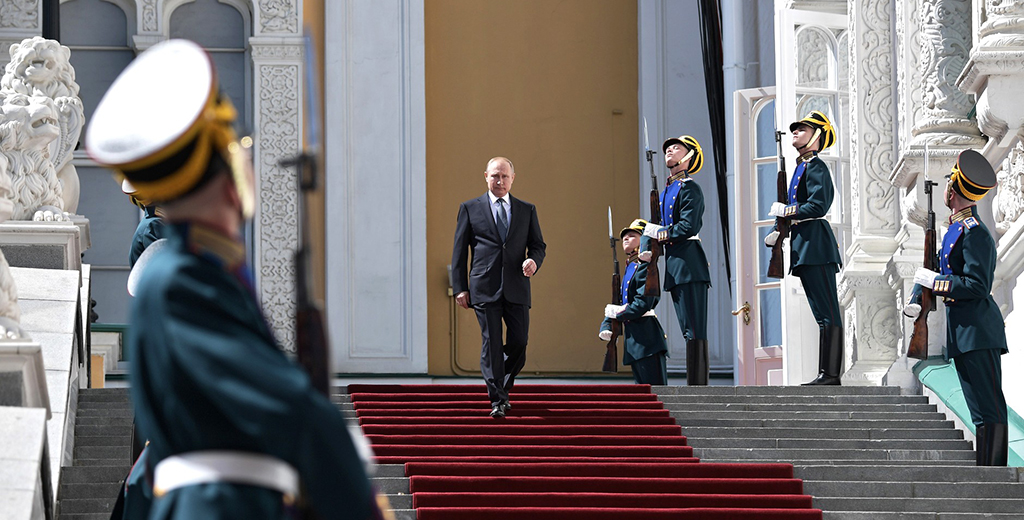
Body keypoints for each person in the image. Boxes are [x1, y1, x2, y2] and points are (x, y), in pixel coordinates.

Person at [86, 39, 383, 519]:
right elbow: (288, 409)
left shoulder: (200, 269)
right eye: (240, 148)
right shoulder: (181, 276)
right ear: (228, 174)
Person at [905, 149, 1008, 466]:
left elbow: (978, 286)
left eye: (949, 182)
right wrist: (918, 296)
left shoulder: (975, 233)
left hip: (978, 331)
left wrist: (937, 283)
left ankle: (995, 474)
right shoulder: (955, 230)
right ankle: (986, 470)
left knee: (989, 406)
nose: (946, 187)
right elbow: (935, 267)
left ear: (953, 189)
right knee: (978, 410)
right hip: (962, 332)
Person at [451, 157, 546, 418]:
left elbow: (538, 245)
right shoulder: (470, 208)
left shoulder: (527, 210)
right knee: (491, 343)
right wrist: (460, 287)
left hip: (517, 286)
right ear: (486, 176)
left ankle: (501, 381)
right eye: (495, 175)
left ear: (513, 178)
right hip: (484, 287)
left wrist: (533, 261)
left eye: (504, 176)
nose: (500, 181)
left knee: (519, 343)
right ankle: (498, 400)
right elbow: (459, 252)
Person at [765, 110, 844, 386]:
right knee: (821, 315)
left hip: (816, 245)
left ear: (817, 136)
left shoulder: (816, 166)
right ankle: (825, 373)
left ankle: (830, 374)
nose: (796, 132)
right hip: (804, 246)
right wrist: (778, 229)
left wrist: (787, 211)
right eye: (795, 129)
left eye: (803, 129)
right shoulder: (801, 167)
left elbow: (818, 205)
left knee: (828, 313)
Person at [641, 135, 711, 385]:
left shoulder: (689, 188)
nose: (670, 150)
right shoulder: (667, 191)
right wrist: (648, 247)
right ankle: (695, 384)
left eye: (676, 147)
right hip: (675, 266)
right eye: (668, 148)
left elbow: (688, 226)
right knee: (687, 328)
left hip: (690, 264)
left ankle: (698, 386)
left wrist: (661, 233)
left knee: (695, 328)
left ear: (689, 156)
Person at [601, 219, 669, 385]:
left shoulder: (646, 267)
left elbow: (644, 302)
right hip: (634, 342)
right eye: (625, 236)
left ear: (644, 240)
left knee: (656, 392)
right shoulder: (630, 267)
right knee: (643, 394)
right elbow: (619, 301)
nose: (626, 238)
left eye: (632, 235)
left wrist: (619, 314)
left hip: (647, 341)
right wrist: (607, 323)